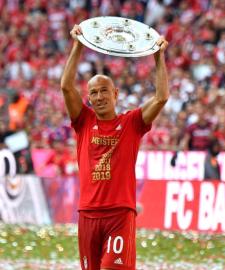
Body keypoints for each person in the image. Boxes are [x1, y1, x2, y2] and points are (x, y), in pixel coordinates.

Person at [60, 25, 169, 270]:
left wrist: (158, 57)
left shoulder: (132, 123)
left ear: (115, 93)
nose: (98, 97)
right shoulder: (84, 121)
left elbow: (161, 97)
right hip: (88, 213)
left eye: (104, 91)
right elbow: (66, 87)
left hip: (120, 214)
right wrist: (78, 45)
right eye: (94, 93)